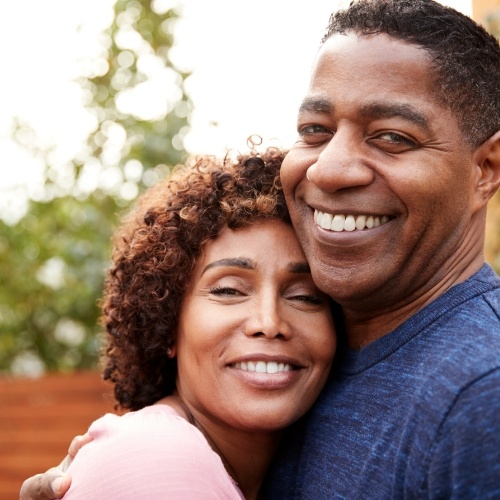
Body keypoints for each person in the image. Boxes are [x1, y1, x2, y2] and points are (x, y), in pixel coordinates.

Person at [21, 0, 500, 498]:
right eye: (315, 130)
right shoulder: (307, 381)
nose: (329, 169)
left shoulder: (481, 392)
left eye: (392, 137)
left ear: (485, 169)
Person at [20, 147, 336, 500]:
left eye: (305, 296)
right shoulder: (157, 459)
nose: (269, 321)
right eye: (229, 290)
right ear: (168, 324)